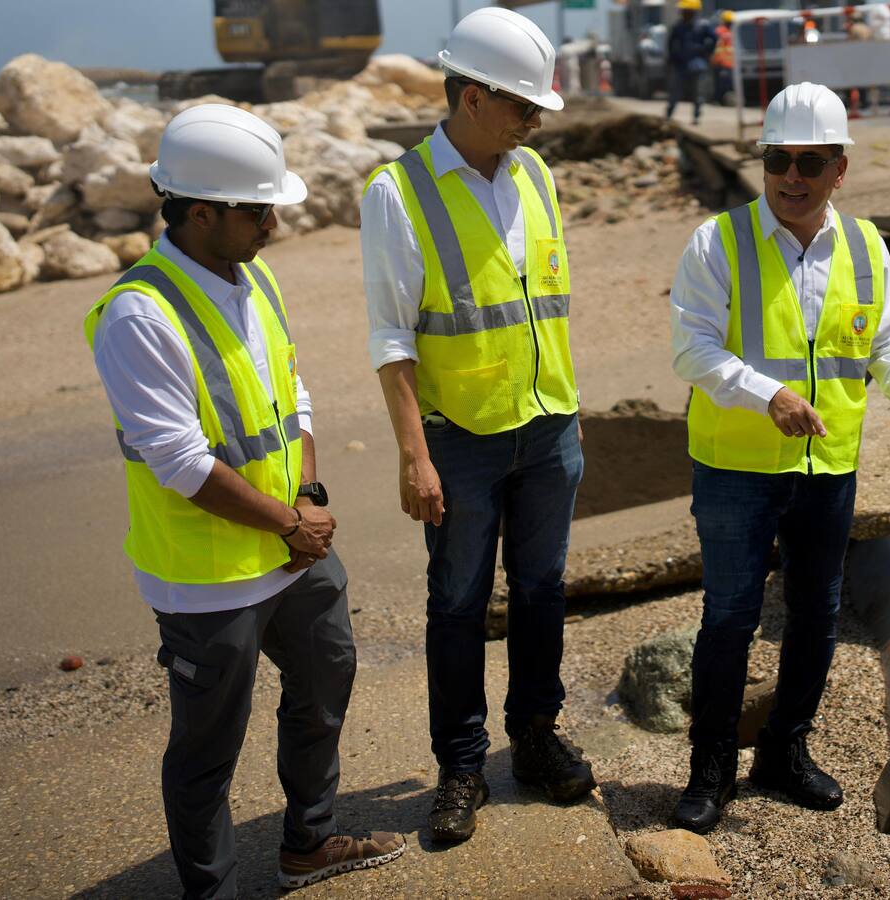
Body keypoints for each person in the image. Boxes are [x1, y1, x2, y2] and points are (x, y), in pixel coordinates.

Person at [84, 104, 404, 897]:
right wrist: (295, 524)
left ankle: (309, 842)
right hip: (206, 576)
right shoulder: (138, 315)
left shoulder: (253, 277)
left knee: (326, 680)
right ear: (200, 212)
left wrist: (306, 498)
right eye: (259, 208)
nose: (273, 222)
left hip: (293, 551)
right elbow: (181, 464)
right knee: (206, 751)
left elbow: (291, 399)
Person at [667, 82, 890, 833]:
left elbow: (884, 341)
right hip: (735, 469)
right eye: (777, 158)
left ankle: (783, 752)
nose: (791, 175)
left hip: (827, 470)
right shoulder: (716, 243)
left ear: (839, 169)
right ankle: (710, 767)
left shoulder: (865, 246)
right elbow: (692, 349)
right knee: (729, 618)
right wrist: (767, 395)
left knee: (816, 617)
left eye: (809, 162)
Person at [360, 6, 595, 845]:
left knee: (541, 594)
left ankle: (533, 737)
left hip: (548, 427)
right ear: (468, 98)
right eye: (524, 107)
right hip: (458, 440)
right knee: (457, 605)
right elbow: (392, 340)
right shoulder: (399, 194)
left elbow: (543, 306)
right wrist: (413, 457)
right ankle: (461, 767)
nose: (535, 123)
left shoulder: (534, 174)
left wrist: (569, 415)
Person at [666, 0, 717, 124]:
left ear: (693, 12)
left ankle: (696, 117)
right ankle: (668, 116)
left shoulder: (703, 25)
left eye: (686, 11)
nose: (683, 13)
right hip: (681, 64)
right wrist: (673, 58)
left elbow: (714, 39)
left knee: (698, 92)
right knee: (675, 92)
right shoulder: (678, 27)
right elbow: (671, 44)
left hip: (698, 64)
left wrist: (706, 51)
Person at [710, 9, 735, 105]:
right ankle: (717, 100)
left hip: (729, 63)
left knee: (726, 84)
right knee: (721, 84)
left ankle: (722, 100)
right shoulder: (720, 31)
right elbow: (717, 47)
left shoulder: (732, 30)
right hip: (721, 63)